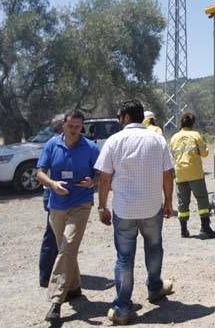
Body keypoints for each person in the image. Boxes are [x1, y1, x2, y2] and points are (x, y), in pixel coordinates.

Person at [95, 100, 175, 325]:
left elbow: (104, 177)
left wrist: (102, 206)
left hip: (124, 209)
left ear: (126, 117)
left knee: (124, 258)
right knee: (154, 247)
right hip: (152, 207)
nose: (119, 120)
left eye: (120, 116)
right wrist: (168, 201)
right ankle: (155, 288)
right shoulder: (157, 139)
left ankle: (122, 307)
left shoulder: (114, 141)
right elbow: (168, 174)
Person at [35, 109, 99, 322]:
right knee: (66, 247)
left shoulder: (90, 147)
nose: (74, 130)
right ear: (63, 124)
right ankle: (75, 287)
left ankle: (55, 300)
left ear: (83, 127)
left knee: (68, 244)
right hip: (57, 204)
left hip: (81, 203)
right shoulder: (52, 145)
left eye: (78, 127)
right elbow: (40, 172)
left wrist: (93, 182)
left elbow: (101, 174)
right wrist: (52, 184)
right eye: (70, 126)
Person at [169, 112, 215, 238]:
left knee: (182, 202)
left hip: (180, 173)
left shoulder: (174, 137)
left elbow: (172, 155)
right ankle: (205, 228)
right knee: (202, 199)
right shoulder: (195, 135)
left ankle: (183, 230)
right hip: (195, 173)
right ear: (192, 123)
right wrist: (205, 147)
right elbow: (204, 153)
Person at [39, 115, 64, 288]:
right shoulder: (54, 144)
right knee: (53, 235)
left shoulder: (51, 143)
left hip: (52, 194)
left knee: (53, 235)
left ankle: (50, 273)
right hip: (54, 194)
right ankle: (47, 275)